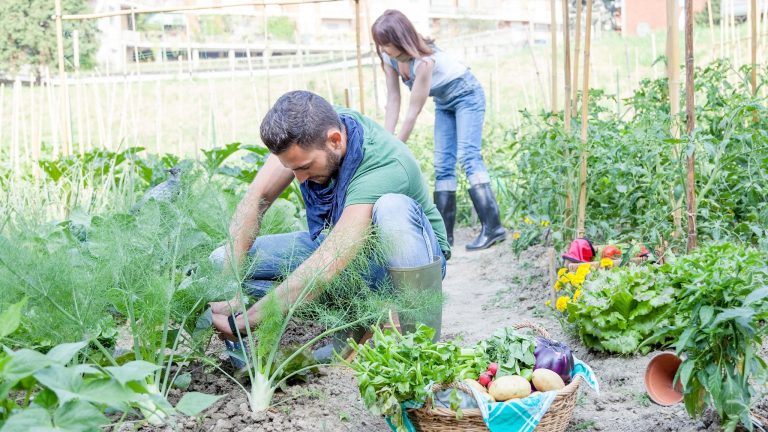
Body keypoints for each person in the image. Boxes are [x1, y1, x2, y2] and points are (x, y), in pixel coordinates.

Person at [208, 90, 450, 342]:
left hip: (403, 263)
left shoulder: (385, 164)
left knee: (392, 208)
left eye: (304, 167)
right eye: (291, 169)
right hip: (349, 253)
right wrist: (229, 290)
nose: (299, 179)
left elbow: (327, 263)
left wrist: (247, 322)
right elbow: (253, 202)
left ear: (335, 140)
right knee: (223, 259)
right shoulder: (307, 129)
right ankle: (356, 323)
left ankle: (418, 337)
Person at [371, 9, 506, 250]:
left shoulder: (425, 62)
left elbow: (413, 111)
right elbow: (393, 100)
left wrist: (396, 148)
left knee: (468, 156)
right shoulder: (388, 57)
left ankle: (493, 227)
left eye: (386, 43)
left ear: (401, 39)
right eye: (380, 44)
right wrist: (386, 138)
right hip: (444, 102)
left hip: (467, 94)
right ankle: (445, 236)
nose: (382, 48)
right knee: (442, 164)